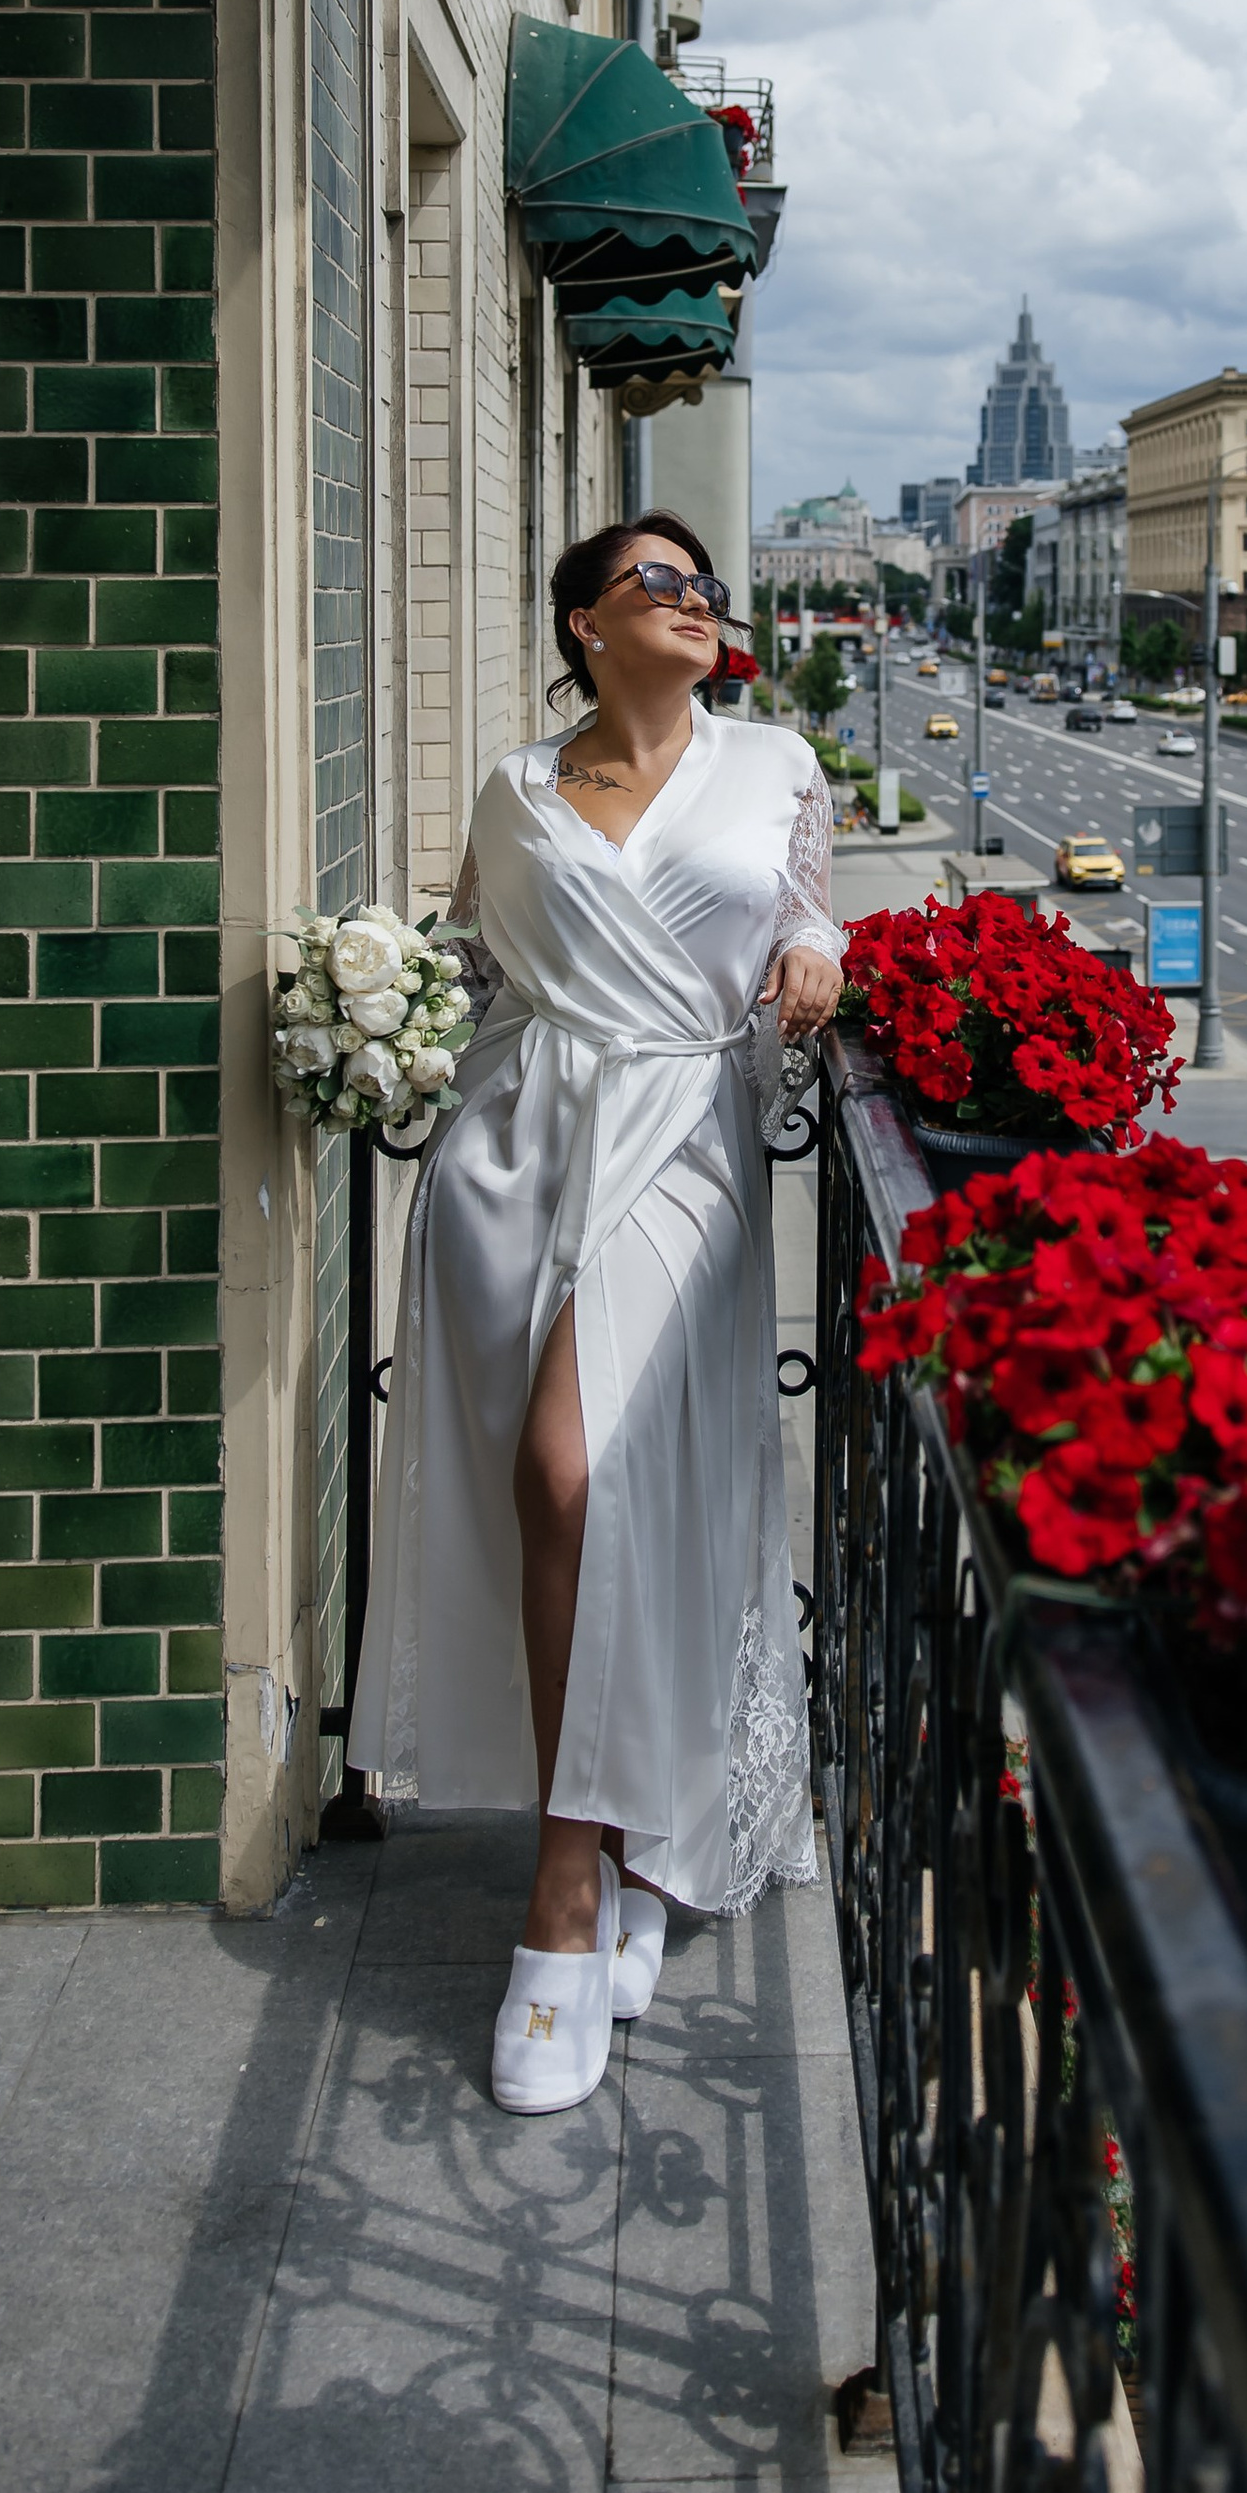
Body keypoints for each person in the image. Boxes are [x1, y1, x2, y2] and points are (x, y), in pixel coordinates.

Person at [347, 510, 844, 2116]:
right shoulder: (513, 789)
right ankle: (626, 1844)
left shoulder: (776, 765)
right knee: (556, 1503)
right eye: (660, 585)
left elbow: (802, 912)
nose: (696, 604)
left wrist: (821, 947)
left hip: (682, 1146)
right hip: (513, 1152)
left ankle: (566, 1887)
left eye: (706, 588)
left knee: (575, 1471)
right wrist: (359, 1010)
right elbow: (485, 968)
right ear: (584, 624)